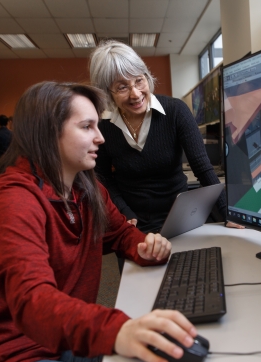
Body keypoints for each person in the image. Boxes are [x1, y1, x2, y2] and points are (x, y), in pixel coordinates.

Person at [0, 81, 199, 362]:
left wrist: (144, 246)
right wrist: (118, 331)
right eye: (87, 127)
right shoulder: (12, 200)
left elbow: (121, 234)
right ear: (48, 133)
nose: (100, 138)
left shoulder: (86, 188)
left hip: (63, 341)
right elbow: (33, 302)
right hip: (14, 355)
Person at [89, 40, 243, 233]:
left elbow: (203, 168)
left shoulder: (175, 110)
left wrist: (227, 212)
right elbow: (104, 180)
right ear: (107, 93)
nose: (135, 94)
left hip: (179, 217)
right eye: (122, 87)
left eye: (139, 80)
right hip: (132, 223)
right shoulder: (104, 127)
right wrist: (124, 213)